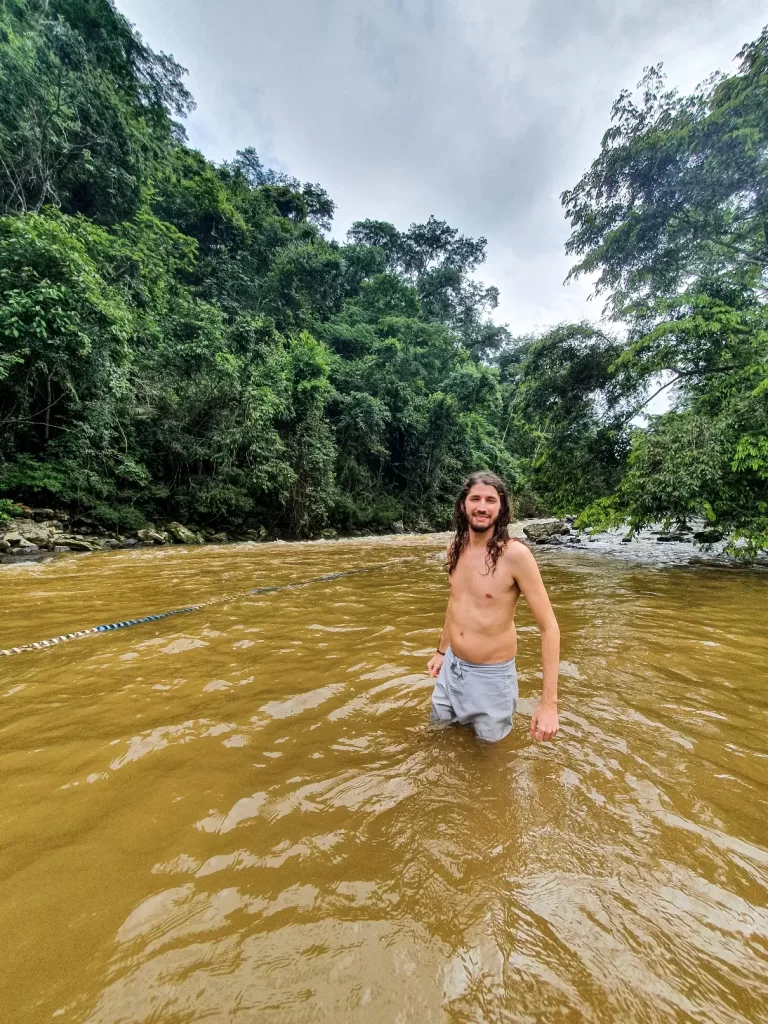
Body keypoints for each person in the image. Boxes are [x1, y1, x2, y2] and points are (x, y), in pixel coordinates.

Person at [427, 471, 560, 744]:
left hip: (491, 679)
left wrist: (549, 704)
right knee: (437, 740)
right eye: (475, 498)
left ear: (501, 508)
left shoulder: (515, 555)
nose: (482, 507)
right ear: (463, 505)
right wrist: (441, 651)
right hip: (451, 669)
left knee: (490, 762)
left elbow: (549, 627)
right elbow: (456, 601)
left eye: (491, 500)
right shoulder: (455, 546)